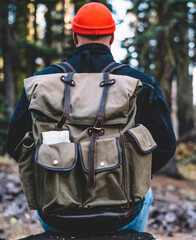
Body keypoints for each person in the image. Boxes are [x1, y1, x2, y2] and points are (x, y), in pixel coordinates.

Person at [6, 2, 176, 234]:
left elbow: (15, 143)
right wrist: (130, 170)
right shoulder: (140, 83)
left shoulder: (41, 83)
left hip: (56, 214)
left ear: (75, 36)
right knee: (146, 193)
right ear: (112, 37)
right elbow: (165, 145)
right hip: (122, 214)